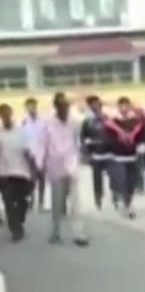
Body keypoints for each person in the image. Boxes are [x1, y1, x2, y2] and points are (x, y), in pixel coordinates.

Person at [35, 93, 89, 246]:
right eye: (62, 106)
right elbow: (41, 145)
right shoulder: (48, 124)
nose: (65, 109)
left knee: (76, 202)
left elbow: (78, 141)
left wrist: (80, 156)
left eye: (66, 106)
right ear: (56, 107)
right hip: (55, 166)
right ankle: (56, 231)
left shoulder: (74, 122)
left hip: (71, 165)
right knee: (57, 202)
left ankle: (79, 234)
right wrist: (40, 165)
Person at [105, 97, 144, 219]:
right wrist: (115, 144)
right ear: (118, 107)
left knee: (131, 183)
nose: (124, 108)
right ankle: (123, 204)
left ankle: (127, 204)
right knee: (122, 181)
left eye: (126, 105)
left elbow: (142, 136)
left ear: (129, 106)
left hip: (132, 156)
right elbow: (107, 138)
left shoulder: (136, 122)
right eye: (121, 106)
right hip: (118, 157)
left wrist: (140, 145)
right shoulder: (112, 123)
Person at [0, 103, 34, 241]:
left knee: (22, 201)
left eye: (7, 114)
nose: (5, 117)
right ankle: (16, 230)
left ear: (11, 114)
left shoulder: (21, 132)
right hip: (5, 173)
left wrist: (33, 170)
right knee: (8, 202)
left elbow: (27, 152)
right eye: (3, 115)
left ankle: (19, 219)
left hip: (22, 172)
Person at [80, 95, 112, 211]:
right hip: (95, 154)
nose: (96, 106)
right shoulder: (87, 122)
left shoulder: (107, 118)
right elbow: (83, 138)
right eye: (93, 104)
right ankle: (98, 197)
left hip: (108, 153)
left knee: (114, 175)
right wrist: (86, 153)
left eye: (97, 103)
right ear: (90, 106)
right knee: (97, 178)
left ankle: (116, 196)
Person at [22, 97, 46, 211]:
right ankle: (31, 201)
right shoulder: (24, 122)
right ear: (26, 108)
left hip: (42, 153)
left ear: (36, 106)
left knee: (42, 179)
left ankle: (41, 202)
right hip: (30, 155)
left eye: (33, 106)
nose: (31, 108)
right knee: (32, 180)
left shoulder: (43, 121)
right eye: (28, 106)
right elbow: (23, 139)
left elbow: (46, 137)